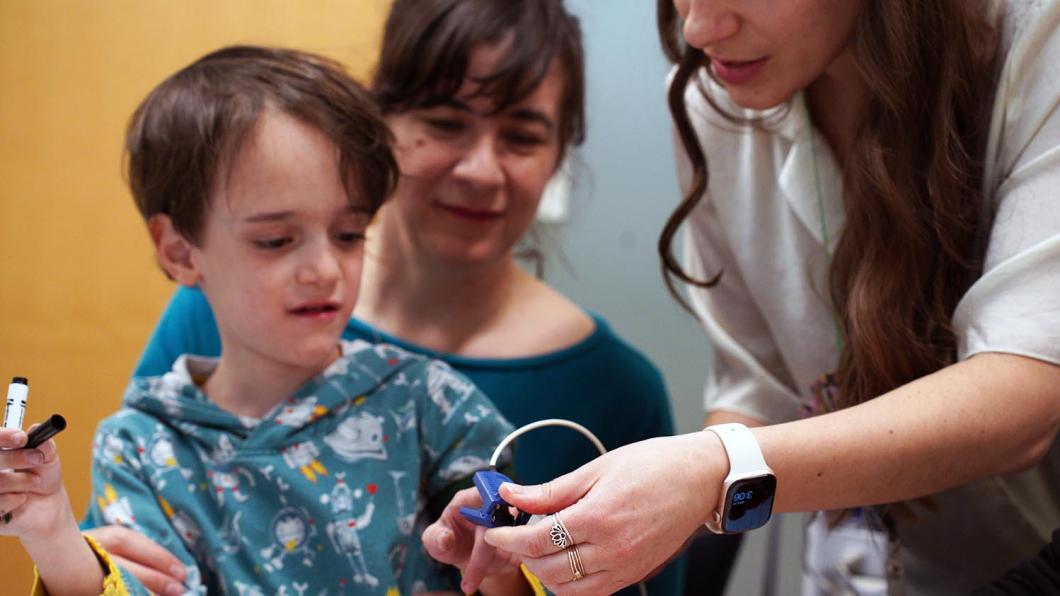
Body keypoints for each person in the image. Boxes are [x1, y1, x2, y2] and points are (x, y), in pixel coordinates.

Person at [428, 0, 1060, 594]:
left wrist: (709, 473)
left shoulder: (1033, 37)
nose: (699, 30)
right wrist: (612, 515)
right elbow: (757, 392)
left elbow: (1024, 388)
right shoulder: (718, 93)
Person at [84, 1, 699, 595]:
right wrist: (76, 555)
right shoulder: (218, 318)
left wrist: (506, 570)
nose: (481, 170)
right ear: (382, 126)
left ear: (559, 152)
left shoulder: (616, 393)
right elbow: (129, 547)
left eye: (521, 136)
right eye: (446, 124)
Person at [0, 45, 530, 595]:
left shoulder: (430, 404)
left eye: (349, 235)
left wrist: (502, 553)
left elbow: (512, 559)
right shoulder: (142, 449)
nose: (325, 269)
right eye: (276, 240)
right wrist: (55, 536)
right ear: (181, 252)